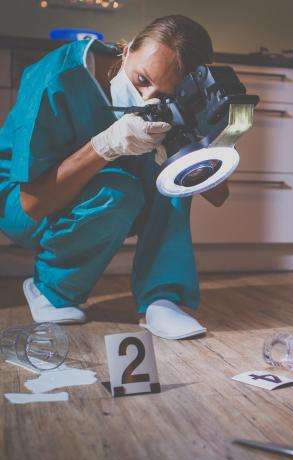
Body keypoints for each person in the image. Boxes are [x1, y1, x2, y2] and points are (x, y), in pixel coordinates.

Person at [0, 15, 227, 339]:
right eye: (141, 80)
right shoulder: (59, 76)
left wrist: (187, 150)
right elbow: (32, 204)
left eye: (165, 96)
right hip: (20, 201)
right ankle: (51, 291)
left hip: (110, 190)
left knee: (173, 176)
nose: (146, 98)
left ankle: (160, 299)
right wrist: (104, 145)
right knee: (117, 192)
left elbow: (219, 196)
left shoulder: (186, 99)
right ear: (129, 47)